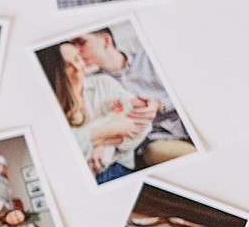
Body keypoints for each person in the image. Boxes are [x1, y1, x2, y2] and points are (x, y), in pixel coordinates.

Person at [70, 27, 194, 165]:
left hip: (189, 120)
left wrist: (160, 105)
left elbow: (191, 90)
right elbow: (103, 123)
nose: (76, 50)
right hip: (156, 140)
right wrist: (100, 144)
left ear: (106, 41)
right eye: (72, 46)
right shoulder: (94, 85)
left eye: (81, 42)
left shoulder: (150, 57)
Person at [37, 42, 152, 183]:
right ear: (53, 73)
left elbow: (144, 125)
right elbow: (63, 150)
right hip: (81, 174)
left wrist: (101, 143)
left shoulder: (104, 84)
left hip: (117, 164)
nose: (78, 68)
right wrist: (112, 129)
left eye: (78, 59)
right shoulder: (49, 106)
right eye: (67, 66)